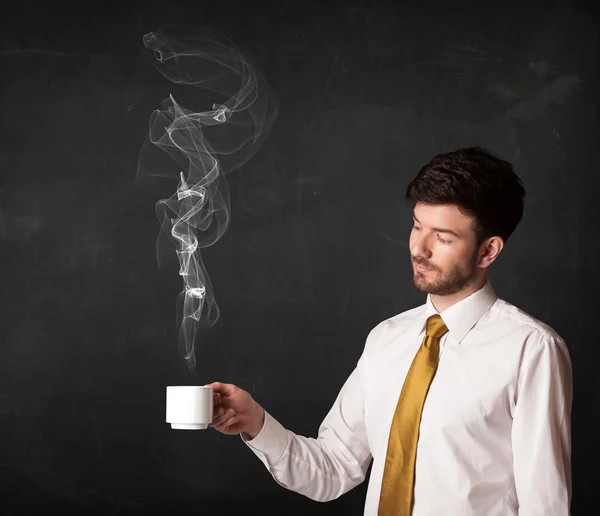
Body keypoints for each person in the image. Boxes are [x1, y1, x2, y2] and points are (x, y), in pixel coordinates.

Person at [205, 147, 573, 516]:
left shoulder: (531, 349)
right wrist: (254, 422)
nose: (419, 248)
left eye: (443, 238)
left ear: (488, 251)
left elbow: (545, 504)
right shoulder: (387, 338)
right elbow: (333, 468)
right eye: (416, 226)